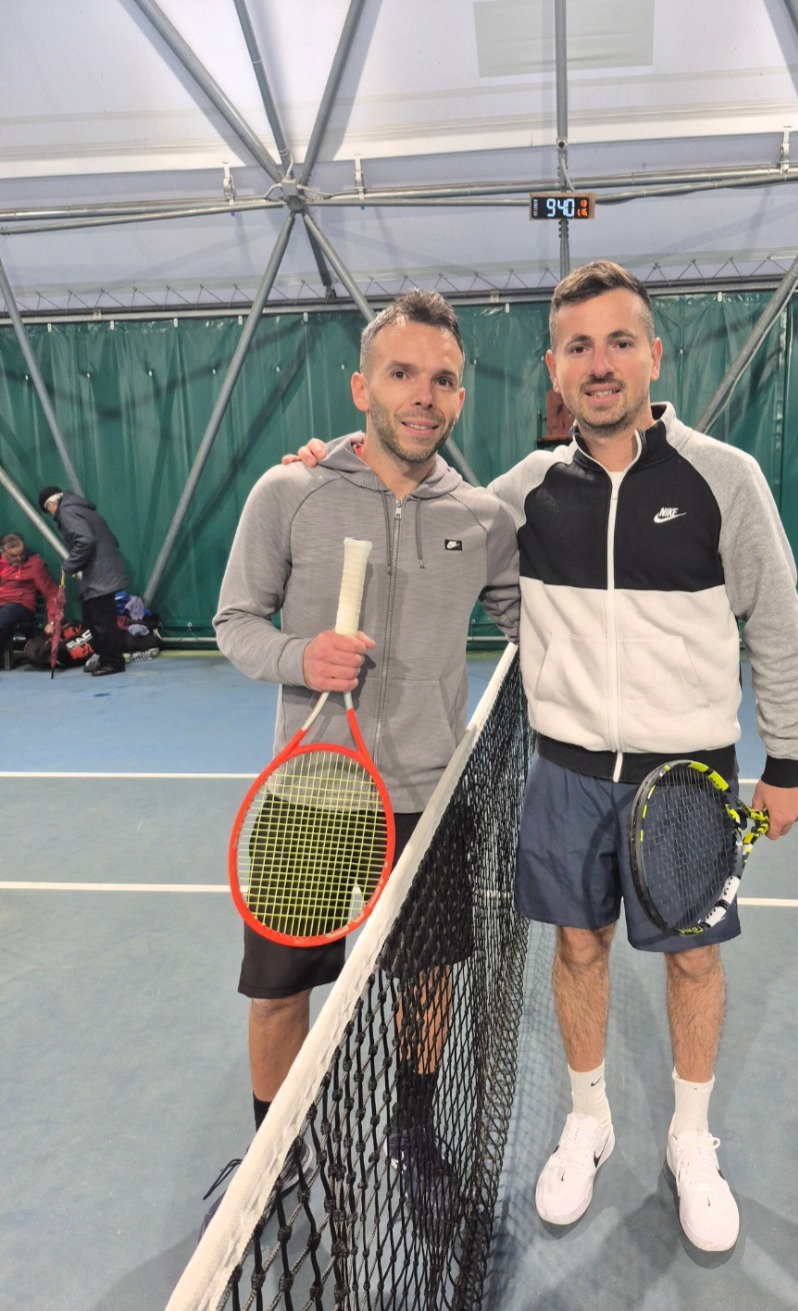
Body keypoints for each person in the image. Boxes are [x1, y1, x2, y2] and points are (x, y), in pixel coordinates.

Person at [295, 262, 798, 1254]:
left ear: (653, 356)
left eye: (619, 342)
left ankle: (691, 1139)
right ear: (554, 369)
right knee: (577, 949)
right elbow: (422, 501)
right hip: (567, 775)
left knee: (693, 957)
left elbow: (778, 628)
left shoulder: (724, 478)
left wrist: (787, 763)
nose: (599, 363)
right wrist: (340, 463)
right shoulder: (522, 494)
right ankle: (588, 1119)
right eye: (578, 347)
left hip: (688, 780)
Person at [209, 290, 520, 1233]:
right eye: (402, 373)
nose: (423, 395)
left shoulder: (482, 517)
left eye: (443, 380)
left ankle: (413, 1133)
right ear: (361, 387)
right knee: (279, 991)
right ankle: (274, 1154)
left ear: (460, 397)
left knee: (425, 983)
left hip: (430, 799)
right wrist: (299, 656)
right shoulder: (289, 493)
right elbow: (234, 622)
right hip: (315, 796)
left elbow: (534, 627)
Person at [37, 486, 128, 675]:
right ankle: (105, 657)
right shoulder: (80, 508)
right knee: (92, 617)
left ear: (50, 504)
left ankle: (113, 662)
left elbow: (85, 541)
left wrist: (70, 565)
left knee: (101, 620)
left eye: (48, 510)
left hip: (100, 575)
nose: (51, 515)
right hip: (103, 570)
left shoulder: (67, 512)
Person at [0, 532, 60, 660]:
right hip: (2, 605)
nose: (19, 558)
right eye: (13, 556)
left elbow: (52, 594)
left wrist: (52, 622)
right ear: (3, 553)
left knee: (4, 616)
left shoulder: (35, 565)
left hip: (21, 606)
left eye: (21, 553)